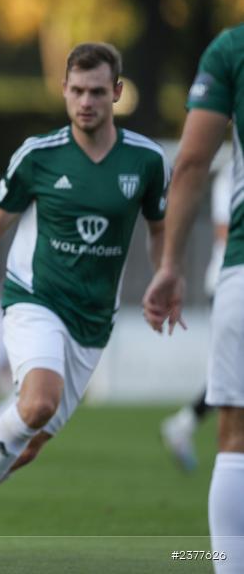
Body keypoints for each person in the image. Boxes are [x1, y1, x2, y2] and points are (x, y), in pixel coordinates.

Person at [0, 42, 169, 557]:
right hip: (34, 299)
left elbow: (159, 228)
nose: (86, 101)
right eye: (77, 91)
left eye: (97, 92)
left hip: (93, 320)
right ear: (64, 90)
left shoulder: (147, 161)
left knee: (27, 442)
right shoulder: (39, 155)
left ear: (118, 92)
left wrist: (165, 275)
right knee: (37, 403)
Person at [143, 23, 244, 574]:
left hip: (239, 274)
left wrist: (170, 265)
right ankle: (184, 420)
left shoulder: (231, 49)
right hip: (229, 271)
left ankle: (186, 420)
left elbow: (189, 164)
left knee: (236, 438)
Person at [160, 161, 232, 471]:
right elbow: (226, 235)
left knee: (232, 375)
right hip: (230, 283)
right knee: (232, 376)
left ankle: (184, 424)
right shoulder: (232, 173)